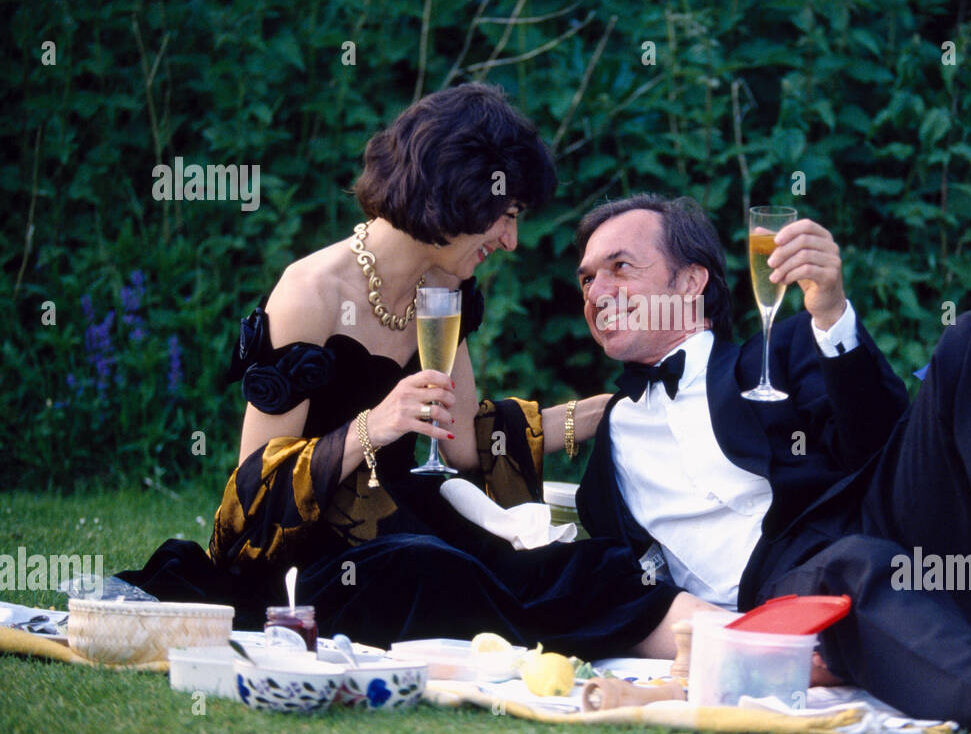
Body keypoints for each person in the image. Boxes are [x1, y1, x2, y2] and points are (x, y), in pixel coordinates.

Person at [120, 86, 707, 657]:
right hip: (317, 560)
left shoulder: (448, 288)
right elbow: (252, 496)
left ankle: (747, 638)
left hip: (419, 524)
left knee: (578, 562)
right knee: (432, 570)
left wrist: (609, 410)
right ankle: (553, 648)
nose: (512, 239)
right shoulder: (312, 292)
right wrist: (374, 427)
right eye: (505, 215)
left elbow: (464, 449)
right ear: (458, 195)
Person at [572, 193, 971, 734]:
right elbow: (625, 590)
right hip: (794, 599)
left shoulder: (785, 349)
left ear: (691, 282)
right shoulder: (605, 465)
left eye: (619, 267)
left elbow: (877, 440)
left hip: (911, 536)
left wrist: (829, 312)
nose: (598, 292)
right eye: (587, 279)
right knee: (852, 562)